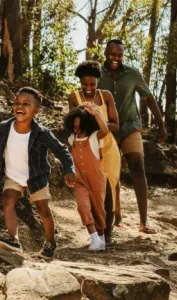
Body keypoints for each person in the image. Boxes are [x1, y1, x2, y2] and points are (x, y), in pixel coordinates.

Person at [0, 87, 76, 259]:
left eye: (26, 104)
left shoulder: (42, 133)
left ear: (36, 111)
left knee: (43, 210)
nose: (20, 106)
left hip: (36, 177)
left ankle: (50, 243)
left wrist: (69, 169)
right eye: (17, 102)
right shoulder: (5, 127)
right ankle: (14, 240)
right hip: (13, 176)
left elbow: (62, 150)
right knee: (7, 200)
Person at [98, 39, 167, 234]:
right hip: (107, 129)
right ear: (105, 53)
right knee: (112, 173)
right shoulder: (97, 74)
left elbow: (148, 98)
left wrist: (160, 124)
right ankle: (116, 216)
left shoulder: (132, 74)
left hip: (130, 126)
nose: (116, 58)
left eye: (119, 55)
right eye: (112, 54)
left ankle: (144, 221)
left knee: (137, 166)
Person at [68, 60, 121, 244]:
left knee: (108, 187)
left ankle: (107, 233)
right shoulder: (74, 98)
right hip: (88, 147)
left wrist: (97, 119)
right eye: (84, 84)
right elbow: (72, 124)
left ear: (98, 81)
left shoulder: (106, 96)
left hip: (107, 146)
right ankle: (97, 234)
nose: (88, 88)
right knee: (91, 190)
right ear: (79, 82)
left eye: (92, 84)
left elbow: (115, 123)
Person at [64, 103, 109, 251]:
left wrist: (95, 113)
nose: (77, 131)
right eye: (74, 127)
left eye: (80, 127)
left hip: (96, 180)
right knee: (83, 207)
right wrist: (69, 174)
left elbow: (105, 130)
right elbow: (70, 159)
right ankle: (94, 237)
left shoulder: (94, 137)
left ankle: (101, 238)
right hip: (80, 180)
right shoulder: (72, 139)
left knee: (99, 210)